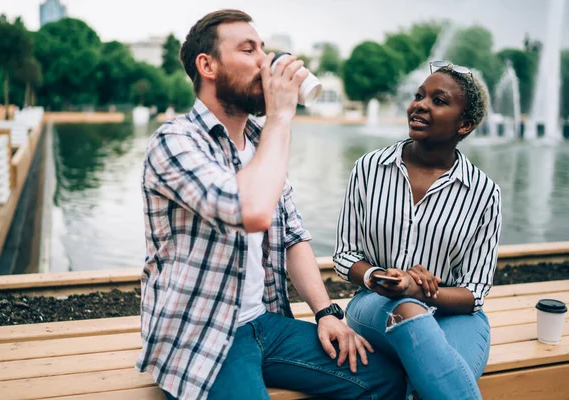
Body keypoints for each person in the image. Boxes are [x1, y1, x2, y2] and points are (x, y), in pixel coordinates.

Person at [136, 9, 406, 400]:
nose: (265, 62)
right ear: (207, 65)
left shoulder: (260, 140)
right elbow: (251, 210)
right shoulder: (175, 141)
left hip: (264, 323)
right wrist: (281, 116)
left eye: (264, 49)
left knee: (385, 379)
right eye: (249, 51)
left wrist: (326, 313)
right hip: (202, 332)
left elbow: (292, 234)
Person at [334, 62, 502, 400]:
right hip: (376, 305)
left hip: (457, 316)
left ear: (465, 125)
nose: (420, 105)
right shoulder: (368, 168)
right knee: (408, 311)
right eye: (419, 96)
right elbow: (345, 256)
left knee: (431, 385)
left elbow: (474, 292)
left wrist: (424, 291)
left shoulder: (485, 193)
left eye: (438, 101)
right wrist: (382, 278)